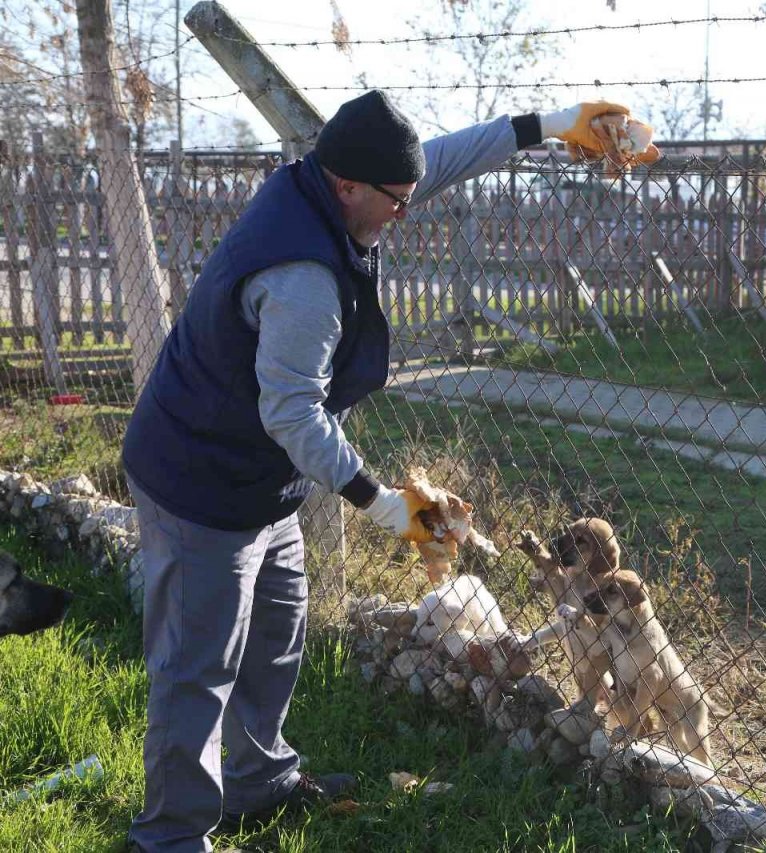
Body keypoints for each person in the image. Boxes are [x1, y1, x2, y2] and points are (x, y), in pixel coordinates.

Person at [120, 91, 630, 853]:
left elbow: (446, 159)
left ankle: (257, 783)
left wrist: (554, 127)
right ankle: (169, 837)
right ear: (349, 187)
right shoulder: (304, 280)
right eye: (396, 201)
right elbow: (291, 416)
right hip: (201, 481)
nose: (405, 213)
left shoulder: (341, 187)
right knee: (198, 669)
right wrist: (387, 505)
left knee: (276, 635)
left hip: (262, 482)